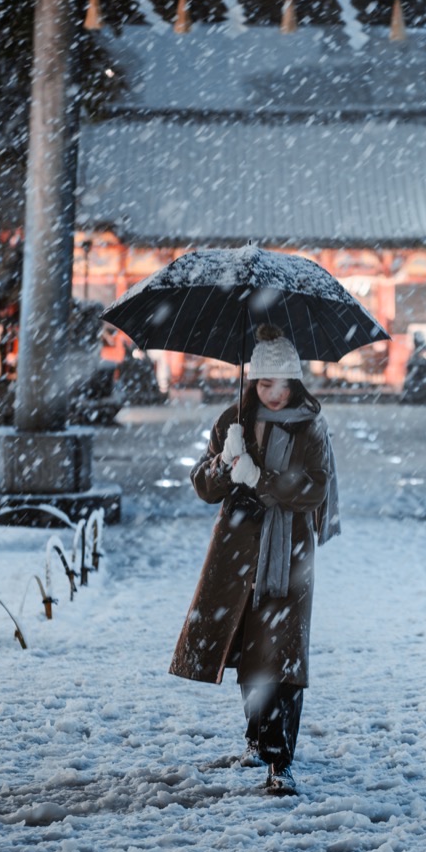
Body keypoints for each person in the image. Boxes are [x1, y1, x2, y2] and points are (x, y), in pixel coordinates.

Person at [169, 324, 339, 796]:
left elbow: (314, 489)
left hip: (288, 554)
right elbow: (204, 487)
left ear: (296, 382)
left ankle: (279, 760)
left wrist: (259, 477)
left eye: (284, 383)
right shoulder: (232, 420)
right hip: (238, 552)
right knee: (247, 652)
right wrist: (225, 465)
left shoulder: (310, 426)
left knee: (282, 659)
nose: (276, 393)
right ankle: (256, 738)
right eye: (265, 383)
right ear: (253, 382)